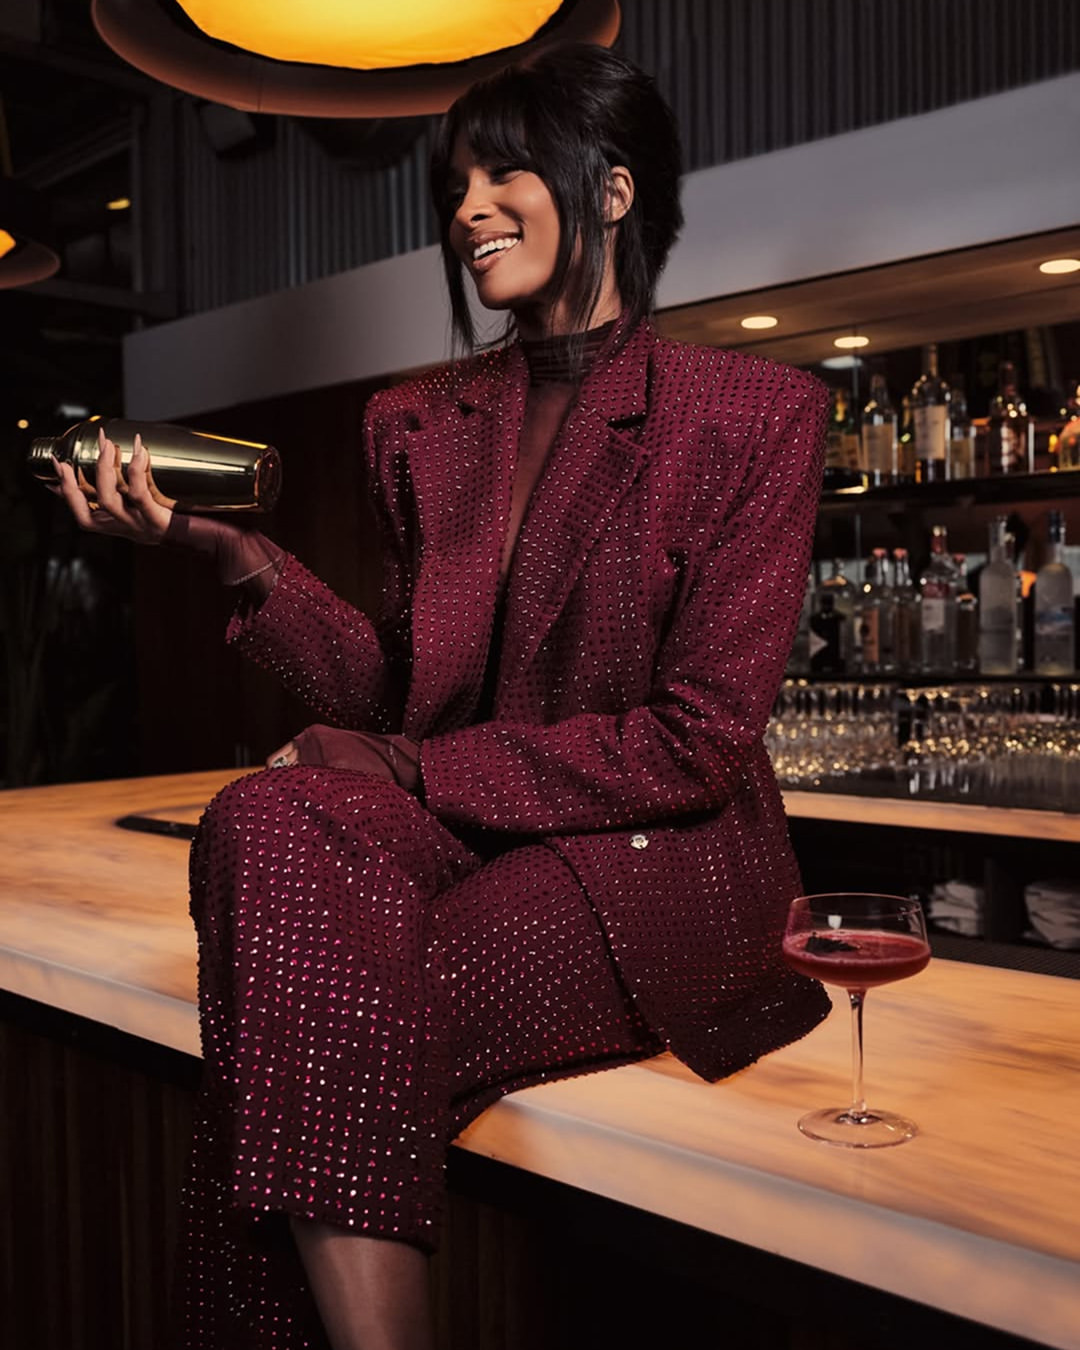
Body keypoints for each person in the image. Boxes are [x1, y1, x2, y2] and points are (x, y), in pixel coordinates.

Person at [53, 42, 831, 1350]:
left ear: (614, 190)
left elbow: (696, 742)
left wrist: (413, 769)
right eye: (456, 183)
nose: (467, 208)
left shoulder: (752, 415)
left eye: (505, 172)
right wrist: (233, 554)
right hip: (476, 825)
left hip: (653, 854)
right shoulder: (419, 422)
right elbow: (404, 692)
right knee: (259, 818)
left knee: (303, 1019)